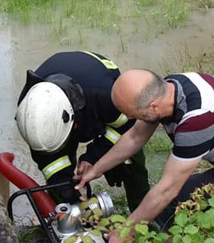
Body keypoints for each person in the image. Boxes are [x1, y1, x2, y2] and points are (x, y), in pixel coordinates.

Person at [76, 70, 214, 243]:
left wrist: (125, 231)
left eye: (132, 114)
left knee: (174, 203)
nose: (130, 119)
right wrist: (96, 169)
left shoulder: (197, 121)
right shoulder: (169, 87)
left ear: (152, 106)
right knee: (181, 201)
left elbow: (167, 189)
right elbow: (134, 137)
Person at [15, 52, 150, 211]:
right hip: (63, 107)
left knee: (131, 160)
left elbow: (128, 128)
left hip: (95, 87)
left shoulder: (107, 96)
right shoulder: (31, 112)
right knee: (60, 185)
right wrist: (68, 195)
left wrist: (96, 158)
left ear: (74, 123)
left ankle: (144, 214)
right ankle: (63, 213)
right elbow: (50, 164)